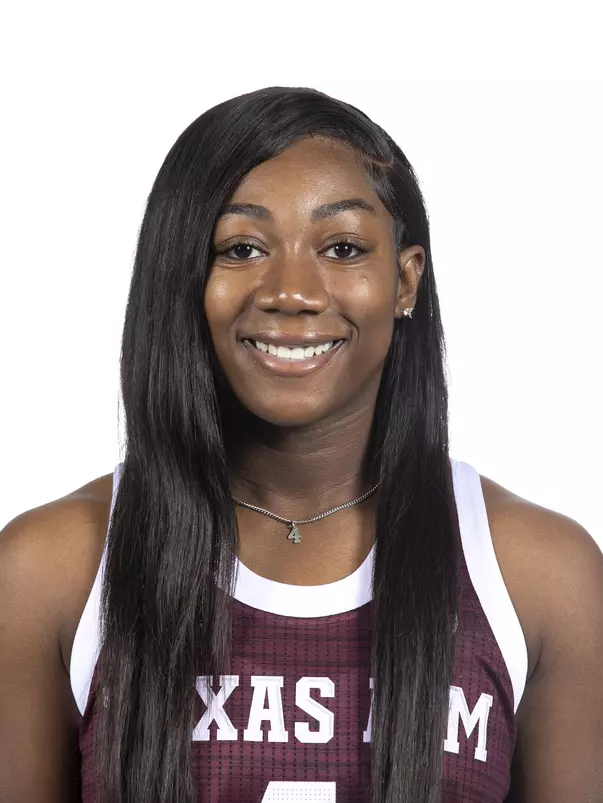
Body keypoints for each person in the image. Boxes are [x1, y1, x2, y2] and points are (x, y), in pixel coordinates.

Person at [1, 86, 602, 803]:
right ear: (183, 277)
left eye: (342, 247)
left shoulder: (539, 573)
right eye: (241, 247)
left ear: (404, 279)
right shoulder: (51, 568)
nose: (291, 291)